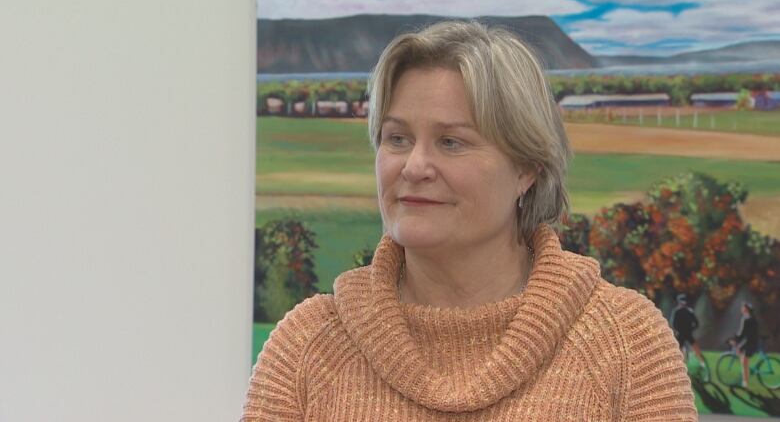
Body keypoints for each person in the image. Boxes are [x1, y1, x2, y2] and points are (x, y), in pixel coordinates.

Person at [241, 21, 696, 421]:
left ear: (526, 168)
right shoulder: (306, 347)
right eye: (397, 138)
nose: (414, 166)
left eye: (451, 142)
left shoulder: (627, 343)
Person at [671, 293, 706, 366]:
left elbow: (673, 324)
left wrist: (676, 331)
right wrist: (692, 329)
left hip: (681, 334)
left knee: (680, 349)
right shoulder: (689, 310)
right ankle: (702, 363)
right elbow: (696, 323)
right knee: (695, 347)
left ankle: (682, 364)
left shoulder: (677, 311)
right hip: (688, 333)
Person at [730, 302, 759, 387]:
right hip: (753, 341)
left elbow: (742, 333)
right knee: (743, 360)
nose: (741, 309)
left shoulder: (745, 319)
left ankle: (745, 382)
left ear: (745, 309)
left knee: (744, 362)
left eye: (743, 308)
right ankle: (744, 379)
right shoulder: (753, 318)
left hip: (749, 343)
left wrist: (735, 339)